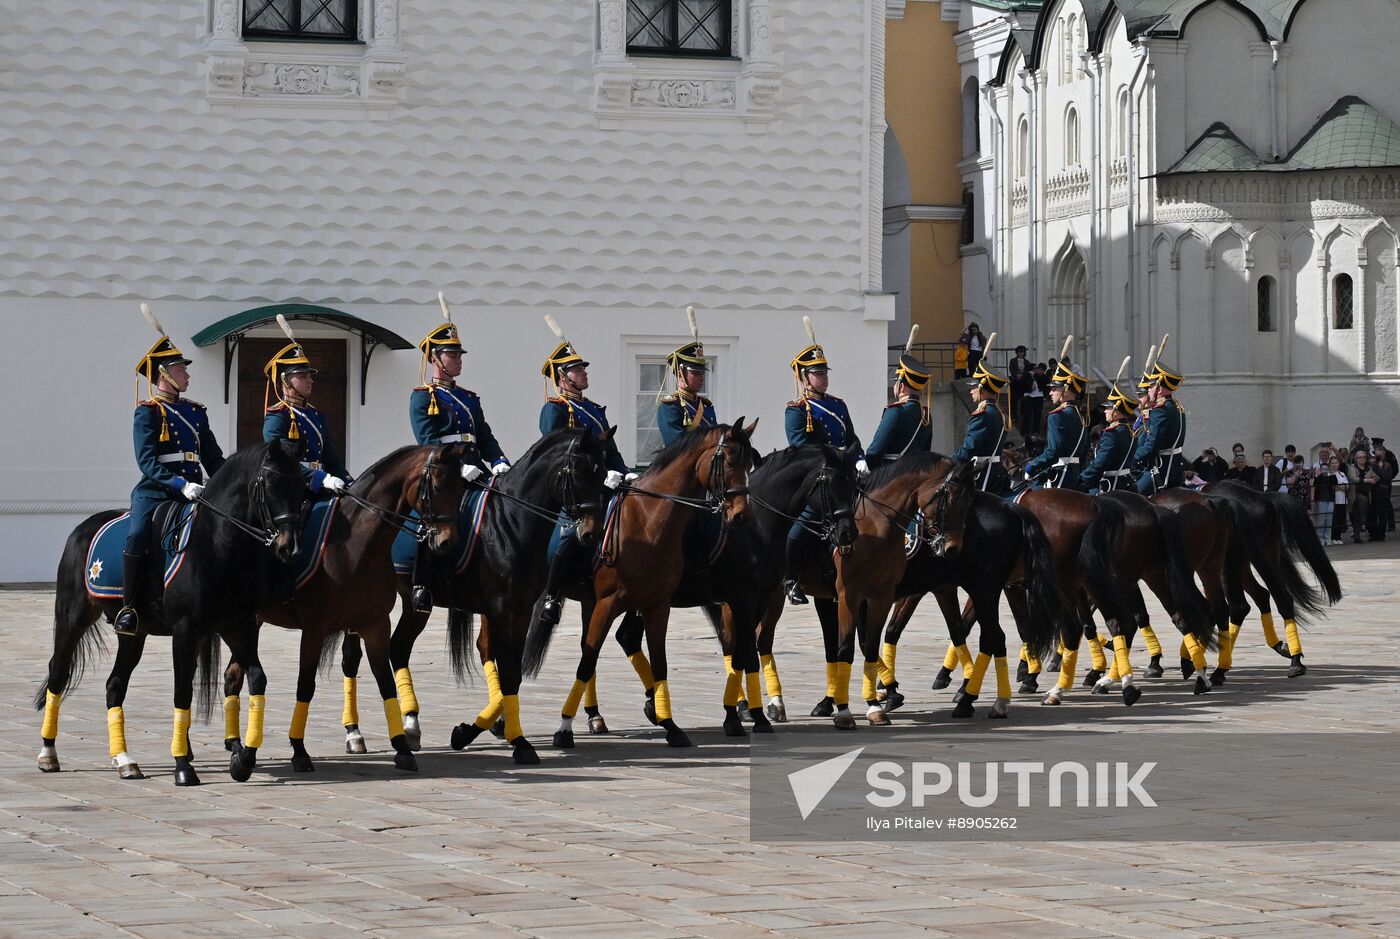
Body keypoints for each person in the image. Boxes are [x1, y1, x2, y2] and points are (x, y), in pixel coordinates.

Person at [116, 316, 226, 636]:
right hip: (156, 491)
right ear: (164, 373)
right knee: (138, 534)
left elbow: (213, 458)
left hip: (195, 490)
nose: (187, 374)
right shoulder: (147, 412)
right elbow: (147, 463)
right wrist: (180, 484)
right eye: (181, 369)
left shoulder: (196, 412)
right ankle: (129, 607)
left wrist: (227, 482)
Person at [406, 315, 510, 611]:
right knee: (432, 520)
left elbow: (484, 435)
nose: (459, 360)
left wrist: (499, 460)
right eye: (452, 355)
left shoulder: (468, 398)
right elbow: (428, 441)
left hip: (477, 469)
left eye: (459, 354)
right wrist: (457, 467)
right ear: (435, 359)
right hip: (444, 474)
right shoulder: (422, 398)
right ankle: (422, 584)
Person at [535, 329, 631, 627]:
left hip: (601, 481)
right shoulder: (554, 409)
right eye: (577, 369)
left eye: (582, 368)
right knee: (569, 530)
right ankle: (551, 595)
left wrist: (623, 471)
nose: (584, 373)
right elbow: (555, 451)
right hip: (573, 487)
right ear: (563, 377)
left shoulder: (593, 409)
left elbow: (610, 449)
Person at [784, 335, 865, 603]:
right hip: (818, 478)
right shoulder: (797, 410)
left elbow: (851, 438)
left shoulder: (838, 405)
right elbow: (800, 448)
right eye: (817, 373)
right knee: (801, 526)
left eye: (824, 372)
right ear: (804, 378)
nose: (824, 377)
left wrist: (859, 458)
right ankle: (791, 579)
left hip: (845, 474)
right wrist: (835, 460)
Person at [1023, 355, 1089, 490]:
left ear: (1065, 390)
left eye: (1054, 389)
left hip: (1059, 477)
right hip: (1075, 476)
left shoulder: (1056, 416)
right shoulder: (1080, 415)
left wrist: (1032, 466)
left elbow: (1052, 451)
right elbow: (1084, 451)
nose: (1050, 393)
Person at [952, 358, 1010, 493]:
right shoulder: (1000, 413)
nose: (970, 391)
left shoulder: (982, 415)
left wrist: (949, 462)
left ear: (981, 389)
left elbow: (968, 449)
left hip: (981, 475)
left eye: (973, 387)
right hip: (996, 472)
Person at [1132, 358, 1186, 494]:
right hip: (1176, 467)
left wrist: (1131, 457)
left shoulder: (1160, 411)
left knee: (1131, 497)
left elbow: (1151, 446)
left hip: (1161, 469)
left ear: (1159, 389)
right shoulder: (1177, 407)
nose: (1148, 390)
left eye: (1151, 387)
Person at [865, 353, 932, 463]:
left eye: (896, 382)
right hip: (917, 472)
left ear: (901, 386)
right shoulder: (926, 415)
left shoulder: (895, 412)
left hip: (893, 472)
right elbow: (926, 452)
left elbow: (874, 453)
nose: (894, 386)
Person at [655, 339, 716, 446]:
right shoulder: (669, 407)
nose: (701, 378)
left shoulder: (705, 405)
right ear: (680, 374)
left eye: (702, 373)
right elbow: (677, 446)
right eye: (696, 373)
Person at [1080, 380, 1137, 492]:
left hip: (1111, 485)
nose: (1105, 411)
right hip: (1126, 482)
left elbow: (1100, 462)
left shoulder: (1111, 434)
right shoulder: (1130, 431)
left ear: (1116, 410)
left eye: (1108, 408)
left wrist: (1083, 478)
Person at [1349, 450, 1379, 543]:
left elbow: (1377, 477)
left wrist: (1374, 480)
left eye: (1364, 457)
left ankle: (1357, 536)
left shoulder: (1368, 468)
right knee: (1362, 504)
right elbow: (1354, 478)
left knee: (1358, 514)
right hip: (1355, 493)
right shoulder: (1352, 468)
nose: (1362, 459)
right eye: (1360, 457)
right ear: (1356, 459)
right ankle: (1363, 522)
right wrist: (1368, 480)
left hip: (1366, 492)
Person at [1018, 362, 1047, 437]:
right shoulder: (1026, 376)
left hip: (1039, 396)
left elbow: (1044, 382)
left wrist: (1034, 376)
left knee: (1037, 415)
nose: (1037, 370)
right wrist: (1031, 381)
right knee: (1027, 414)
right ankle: (1025, 431)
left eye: (1037, 368)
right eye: (1035, 368)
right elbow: (1024, 386)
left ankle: (1036, 431)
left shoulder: (1040, 376)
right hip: (1029, 396)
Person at [1312, 456, 1336, 545]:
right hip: (1321, 500)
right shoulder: (1319, 478)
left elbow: (1335, 482)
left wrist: (1332, 473)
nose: (1324, 470)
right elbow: (1315, 483)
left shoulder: (1330, 477)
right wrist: (1317, 474)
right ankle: (1320, 539)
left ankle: (1328, 539)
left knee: (1329, 520)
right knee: (1321, 520)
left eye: (1326, 469)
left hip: (1330, 500)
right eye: (1323, 469)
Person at [1373, 438, 1396, 533]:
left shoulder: (1389, 454)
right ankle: (1378, 526)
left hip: (1385, 485)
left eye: (1376, 445)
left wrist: (1388, 479)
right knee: (1378, 506)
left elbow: (1395, 469)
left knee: (1387, 504)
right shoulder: (1373, 457)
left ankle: (1391, 524)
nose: (1375, 447)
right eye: (1374, 446)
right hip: (1375, 486)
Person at [1008, 345, 1032, 422]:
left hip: (1023, 382)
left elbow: (1027, 371)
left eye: (1022, 352)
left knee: (1023, 398)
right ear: (1017, 352)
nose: (1021, 353)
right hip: (1014, 382)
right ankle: (1013, 415)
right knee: (1014, 399)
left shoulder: (1027, 362)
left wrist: (1022, 375)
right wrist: (1016, 375)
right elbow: (1011, 369)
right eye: (1019, 351)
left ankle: (1023, 413)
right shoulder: (1013, 360)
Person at [1330, 456, 1350, 543]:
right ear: (1330, 464)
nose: (1334, 465)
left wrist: (1336, 486)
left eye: (1336, 463)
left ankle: (1338, 537)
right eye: (1332, 463)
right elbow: (1330, 487)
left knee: (1340, 518)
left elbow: (1347, 487)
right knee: (1333, 519)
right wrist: (1339, 486)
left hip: (1342, 499)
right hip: (1332, 499)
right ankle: (1332, 537)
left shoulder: (1342, 474)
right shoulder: (1328, 474)